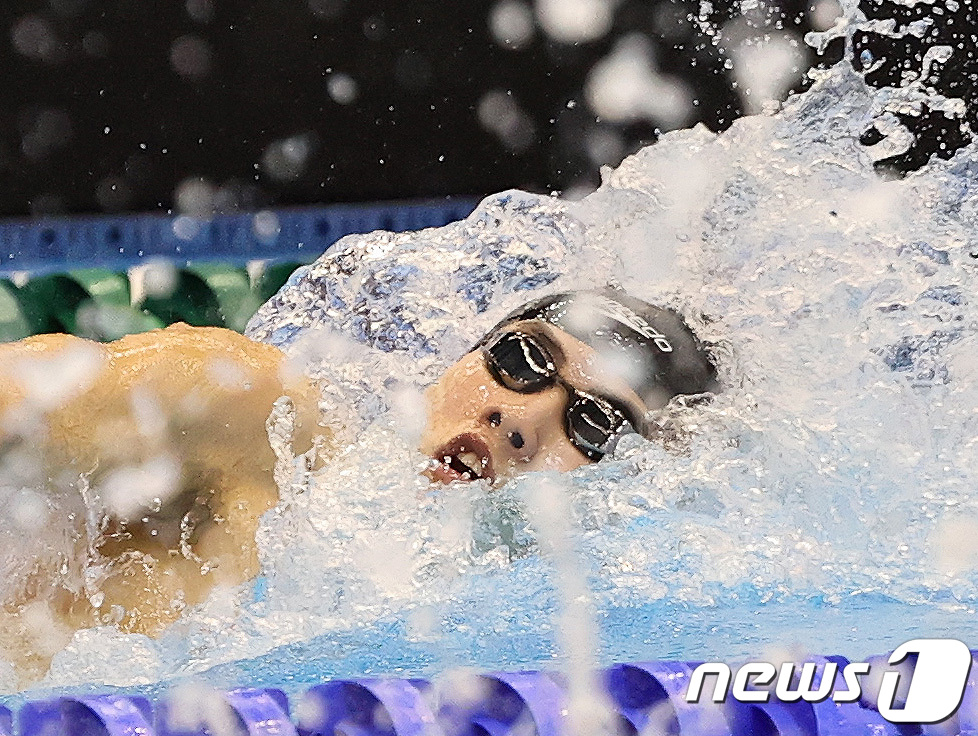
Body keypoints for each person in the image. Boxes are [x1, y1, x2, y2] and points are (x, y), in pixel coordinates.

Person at [0, 287, 715, 684]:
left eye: (592, 426)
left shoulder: (568, 635)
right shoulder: (257, 417)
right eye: (521, 358)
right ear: (466, 354)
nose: (518, 414)